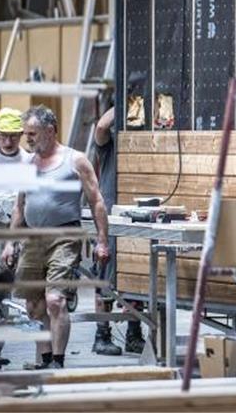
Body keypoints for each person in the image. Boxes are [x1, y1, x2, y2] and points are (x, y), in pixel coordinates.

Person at [1, 106, 110, 369]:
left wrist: (102, 241)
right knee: (34, 306)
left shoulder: (75, 160)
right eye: (26, 134)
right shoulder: (27, 164)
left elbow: (97, 202)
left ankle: (58, 363)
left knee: (55, 300)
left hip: (64, 236)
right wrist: (10, 242)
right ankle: (46, 359)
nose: (27, 139)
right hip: (33, 239)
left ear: (50, 131)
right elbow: (20, 206)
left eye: (32, 134)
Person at [91, 105, 146, 355]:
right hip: (111, 221)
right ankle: (101, 335)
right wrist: (128, 100)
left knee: (138, 276)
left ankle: (134, 334)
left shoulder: (144, 147)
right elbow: (102, 127)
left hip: (138, 219)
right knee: (106, 278)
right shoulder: (109, 145)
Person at [0, 108, 32, 367]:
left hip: (10, 233)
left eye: (13, 136)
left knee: (2, 290)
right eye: (3, 135)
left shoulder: (28, 162)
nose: (7, 141)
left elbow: (27, 203)